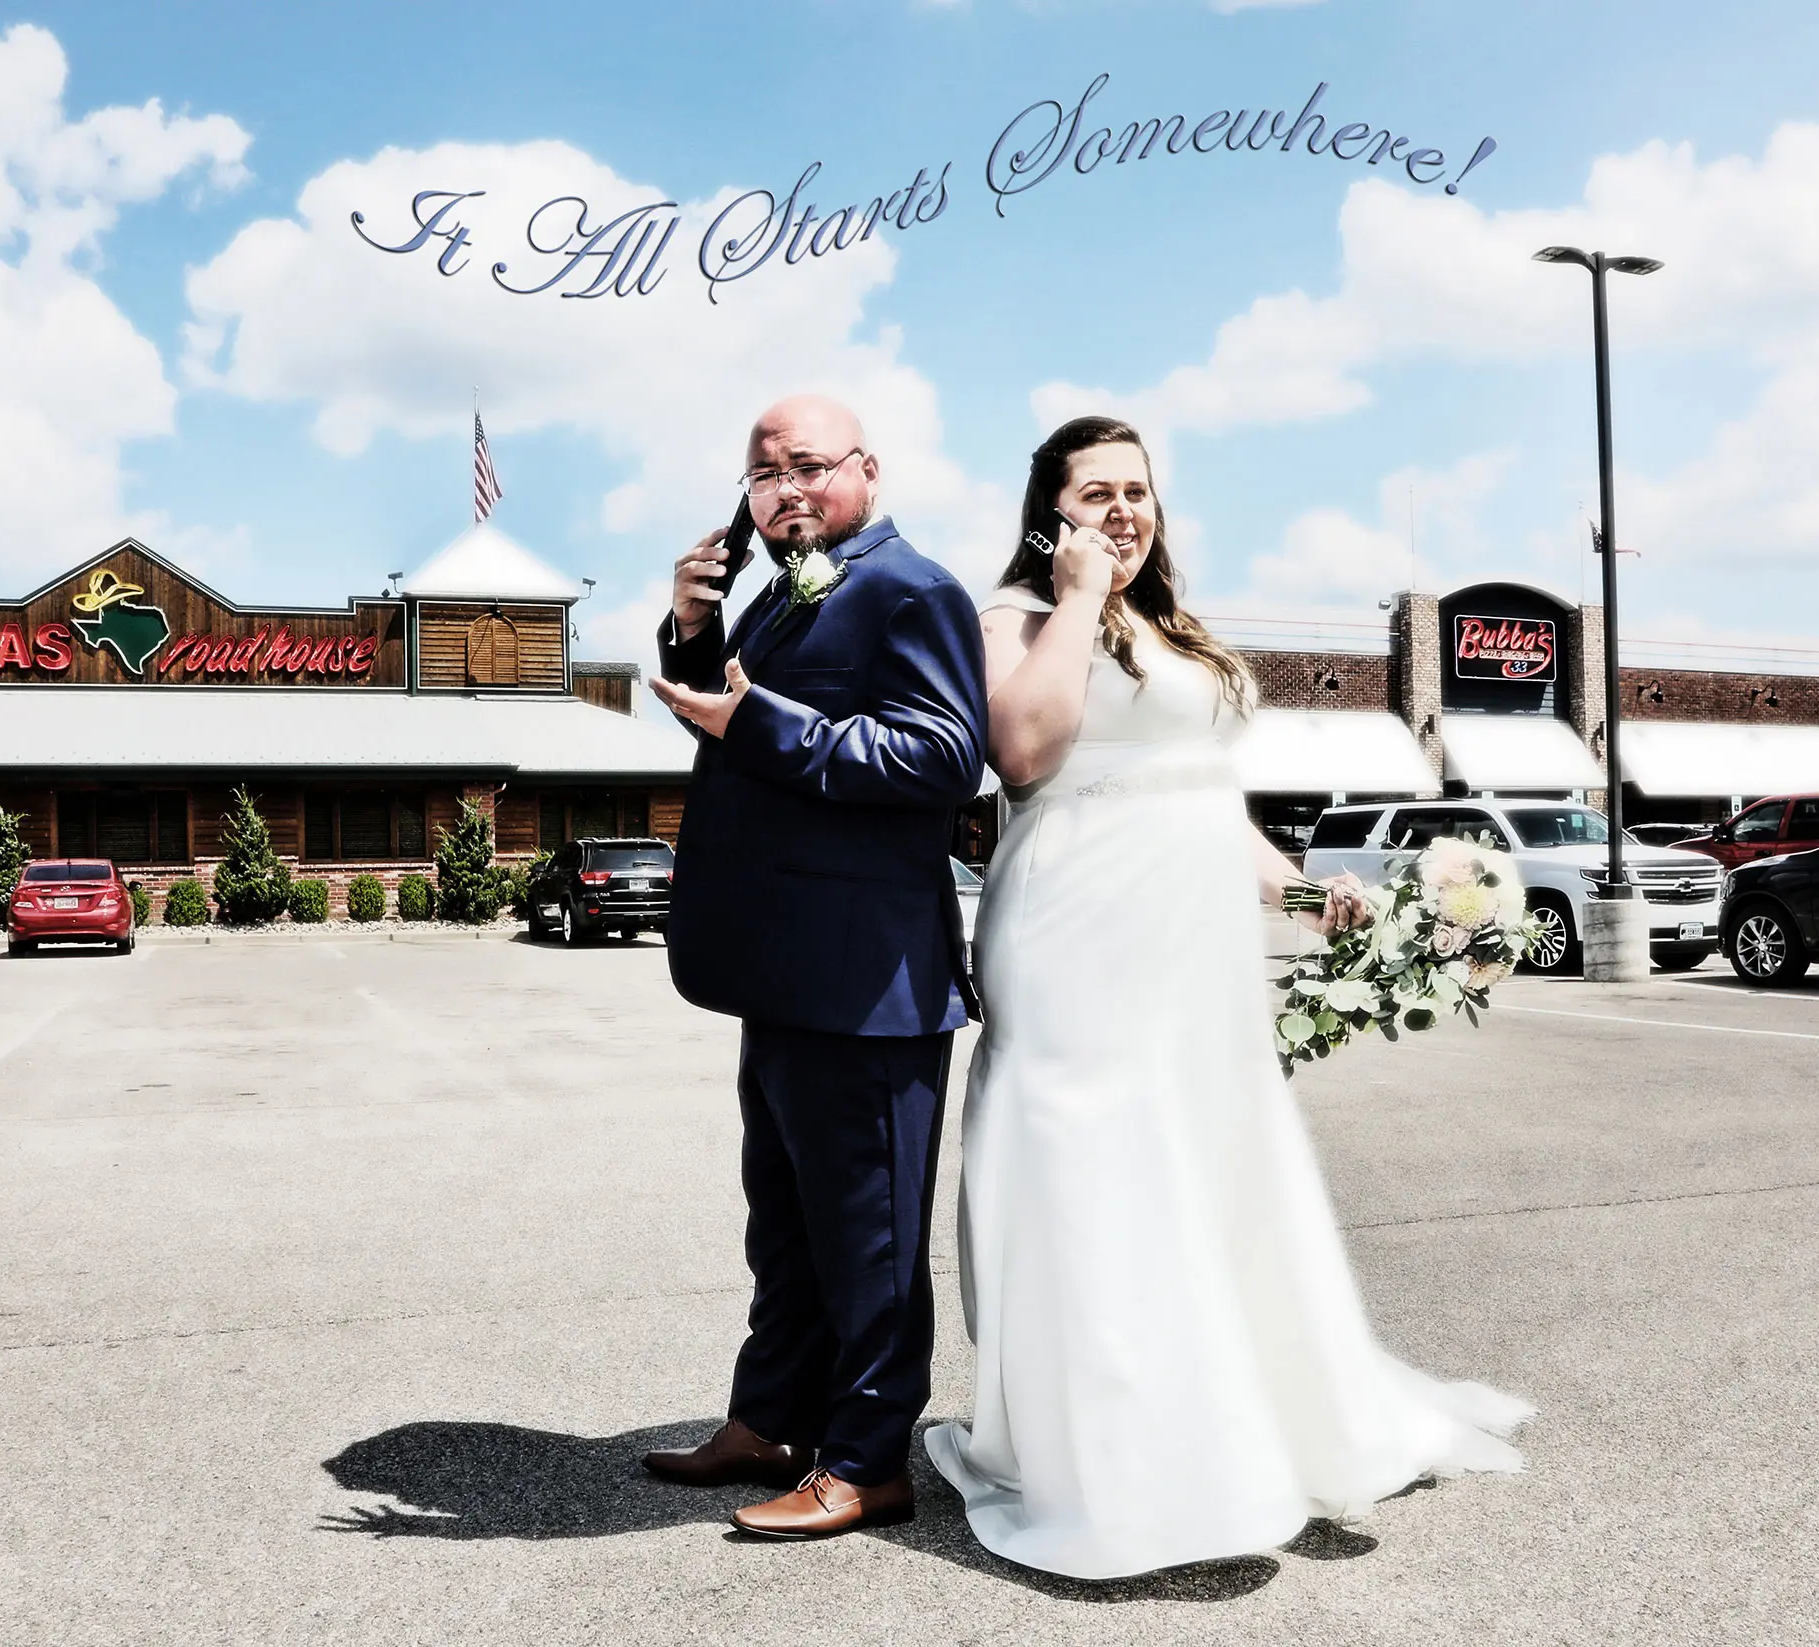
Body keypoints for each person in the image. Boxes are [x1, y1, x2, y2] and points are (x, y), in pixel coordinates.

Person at [923, 415, 1531, 1581]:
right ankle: (1107, 1445)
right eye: (1095, 492)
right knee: (1094, 1156)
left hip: (1191, 937)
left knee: (1208, 1148)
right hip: (1075, 924)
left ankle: (1242, 1405)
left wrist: (1300, 891)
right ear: (1049, 510)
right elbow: (1024, 749)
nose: (1123, 511)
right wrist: (1073, 599)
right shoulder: (1008, 616)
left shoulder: (1175, 629)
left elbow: (1203, 790)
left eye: (1138, 492)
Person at [641, 394, 989, 1540]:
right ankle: (771, 1419)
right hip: (782, 973)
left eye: (807, 466)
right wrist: (695, 628)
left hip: (869, 982)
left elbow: (941, 758)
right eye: (762, 473)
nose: (785, 489)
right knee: (782, 1219)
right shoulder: (776, 599)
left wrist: (764, 724)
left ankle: (866, 1459)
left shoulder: (911, 587)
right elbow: (728, 715)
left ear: (867, 473)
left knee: (869, 1235)